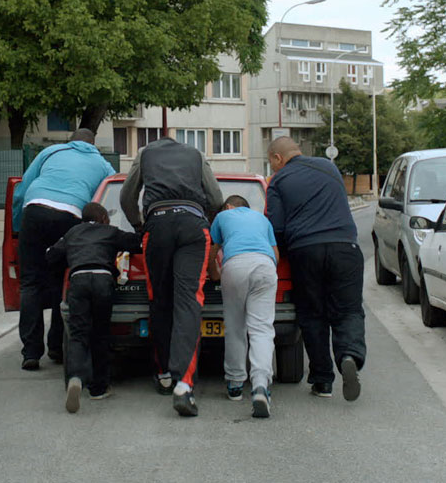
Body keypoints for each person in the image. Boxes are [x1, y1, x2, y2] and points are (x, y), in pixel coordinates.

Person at [120, 135, 223, 417]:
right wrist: (207, 221)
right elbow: (216, 198)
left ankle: (164, 372)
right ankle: (184, 385)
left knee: (160, 300)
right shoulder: (196, 154)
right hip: (193, 226)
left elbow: (127, 196)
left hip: (158, 225)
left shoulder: (144, 154)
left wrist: (140, 225)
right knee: (189, 302)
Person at [265, 136, 365, 402]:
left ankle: (323, 381)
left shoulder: (279, 180)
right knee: (349, 310)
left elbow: (276, 227)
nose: (273, 169)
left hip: (306, 250)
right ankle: (349, 355)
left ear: (278, 158)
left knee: (312, 315)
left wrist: (282, 255)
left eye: (271, 164)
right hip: (346, 247)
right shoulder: (328, 167)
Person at [12, 129, 116, 371]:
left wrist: (18, 228)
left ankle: (31, 352)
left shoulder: (50, 151)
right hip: (70, 215)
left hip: (35, 210)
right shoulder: (102, 165)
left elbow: (22, 189)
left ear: (71, 142)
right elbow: (106, 202)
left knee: (30, 284)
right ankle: (57, 348)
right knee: (63, 284)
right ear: (93, 144)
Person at [45, 203, 143, 413]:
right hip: (103, 279)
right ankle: (98, 388)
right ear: (102, 217)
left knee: (78, 334)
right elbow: (137, 244)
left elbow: (52, 256)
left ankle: (75, 378)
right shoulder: (110, 232)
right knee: (100, 334)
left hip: (78, 280)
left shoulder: (73, 233)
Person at [210, 195, 278, 419]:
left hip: (235, 265)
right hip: (265, 265)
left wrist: (214, 273)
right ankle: (260, 386)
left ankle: (235, 384)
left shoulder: (222, 216)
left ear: (229, 207)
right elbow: (275, 253)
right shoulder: (262, 219)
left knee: (235, 326)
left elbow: (213, 250)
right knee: (261, 329)